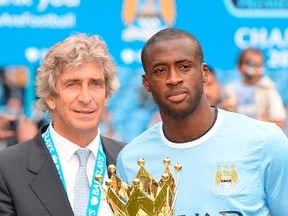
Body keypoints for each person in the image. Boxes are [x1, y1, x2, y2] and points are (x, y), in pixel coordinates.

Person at [116, 28, 288, 215]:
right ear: (146, 83)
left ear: (204, 73)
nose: (173, 79)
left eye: (184, 67)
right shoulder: (132, 160)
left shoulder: (266, 142)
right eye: (160, 70)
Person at [0, 33, 125, 216]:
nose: (85, 98)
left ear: (106, 95)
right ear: (50, 97)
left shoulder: (130, 161)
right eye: (72, 84)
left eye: (95, 84)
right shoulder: (7, 169)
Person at [224, 48, 286, 129]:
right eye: (251, 65)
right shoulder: (229, 89)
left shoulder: (268, 88)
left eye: (259, 65)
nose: (256, 70)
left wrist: (264, 124)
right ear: (240, 67)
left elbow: (279, 120)